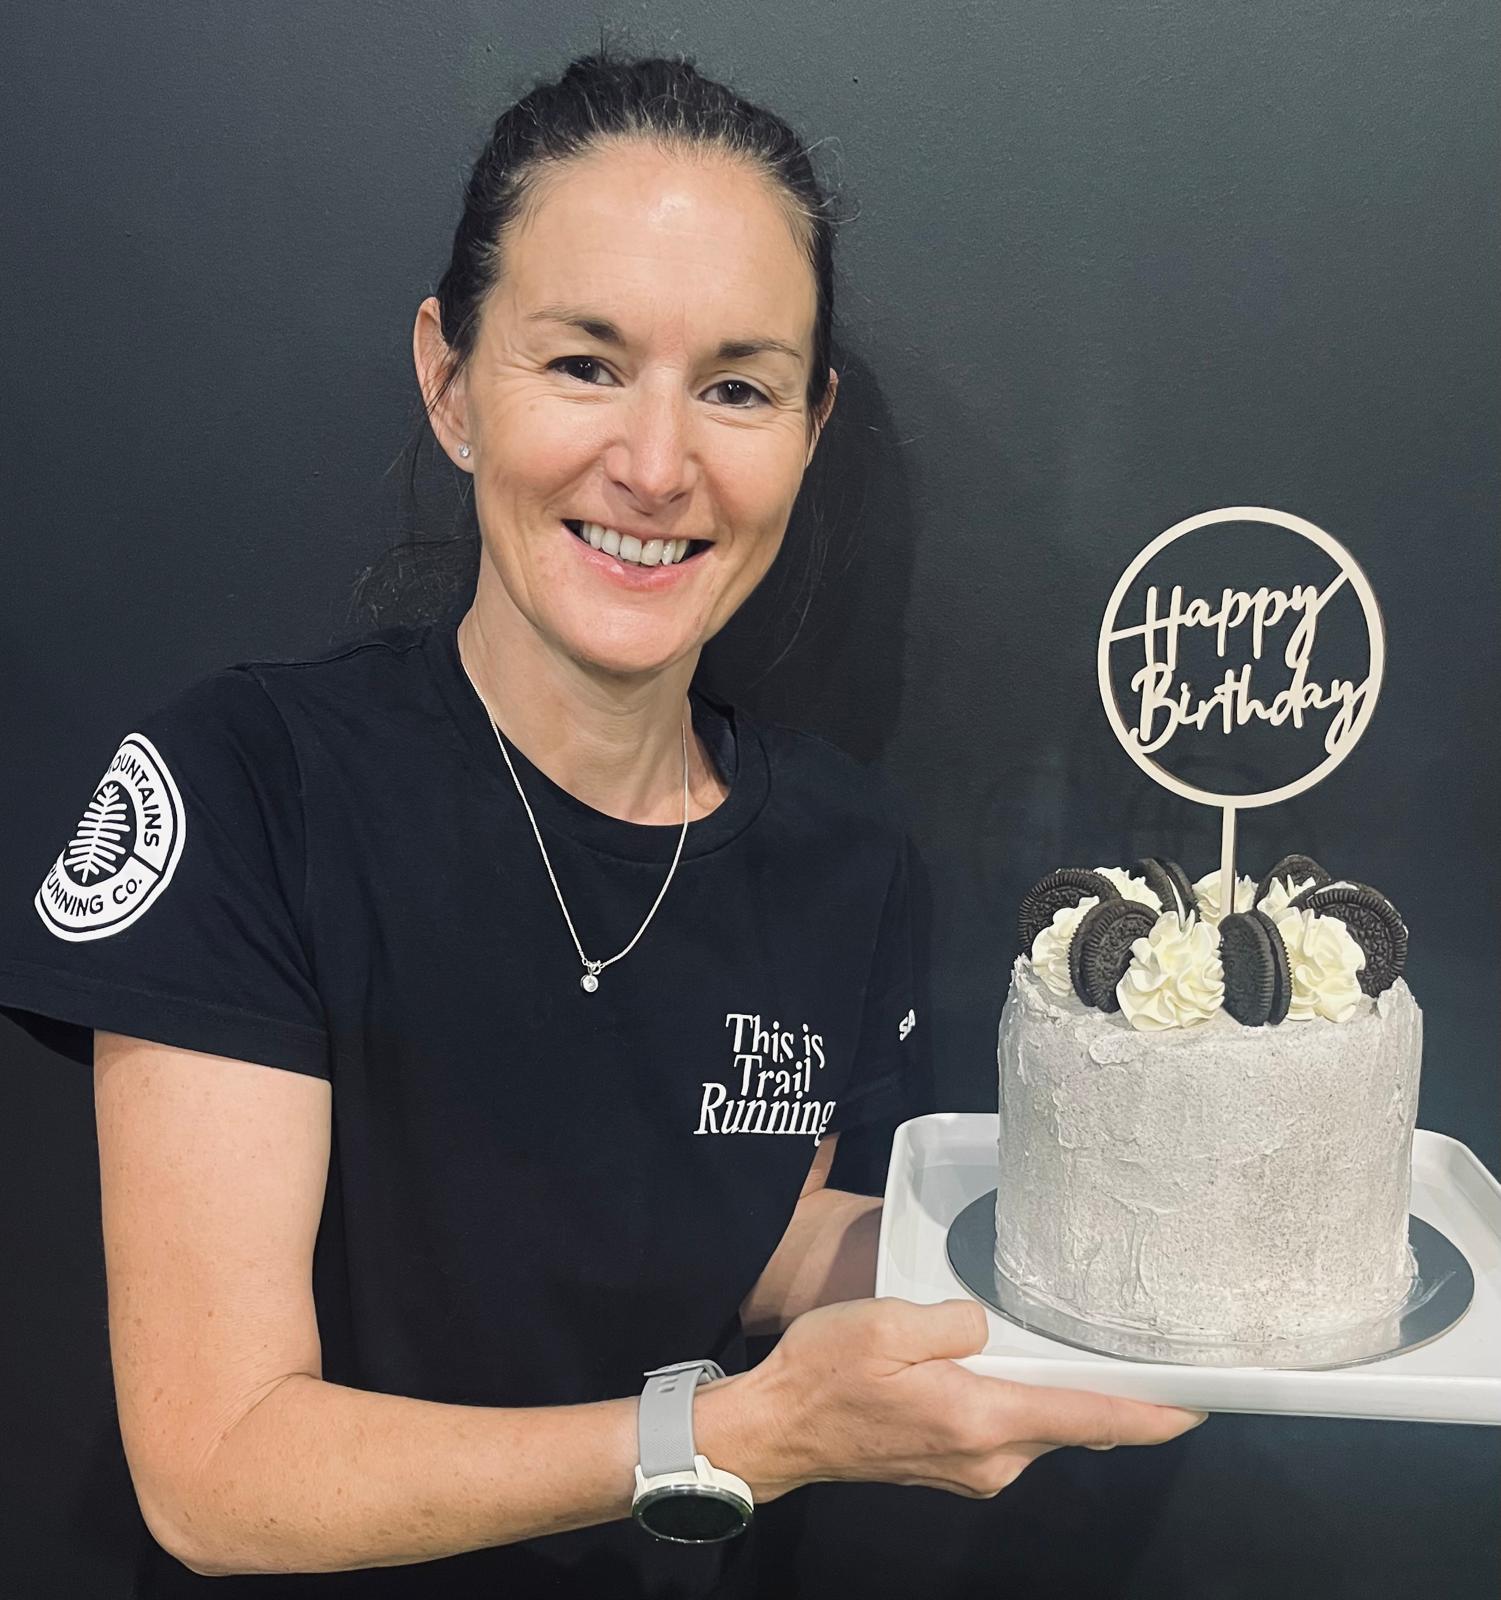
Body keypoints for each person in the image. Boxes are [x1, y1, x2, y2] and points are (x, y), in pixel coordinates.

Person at [0, 50, 1203, 1600]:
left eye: (736, 388)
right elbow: (219, 1473)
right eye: (583, 363)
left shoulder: (844, 849)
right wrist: (741, 1440)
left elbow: (754, 1237)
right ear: (450, 383)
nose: (653, 464)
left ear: (809, 428)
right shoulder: (251, 784)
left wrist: (1126, 1269)